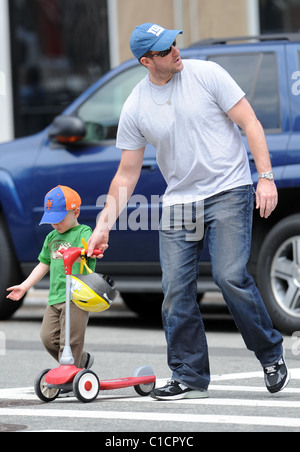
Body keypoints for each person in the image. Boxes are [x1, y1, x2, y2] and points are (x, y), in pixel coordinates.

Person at [87, 23, 290, 400]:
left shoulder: (208, 74)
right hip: (180, 202)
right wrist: (104, 224)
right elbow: (126, 174)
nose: (175, 51)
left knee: (230, 277)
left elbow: (250, 122)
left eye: (174, 43)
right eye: (164, 51)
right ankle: (189, 374)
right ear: (146, 61)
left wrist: (265, 178)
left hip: (229, 189)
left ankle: (270, 353)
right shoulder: (136, 105)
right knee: (175, 291)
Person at [7, 185, 96, 369]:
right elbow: (43, 264)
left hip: (76, 295)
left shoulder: (84, 232)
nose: (55, 224)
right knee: (47, 337)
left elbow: (89, 250)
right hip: (55, 296)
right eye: (51, 219)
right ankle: (81, 363)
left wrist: (79, 251)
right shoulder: (51, 238)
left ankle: (70, 374)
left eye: (59, 218)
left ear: (76, 212)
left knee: (70, 341)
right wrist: (24, 286)